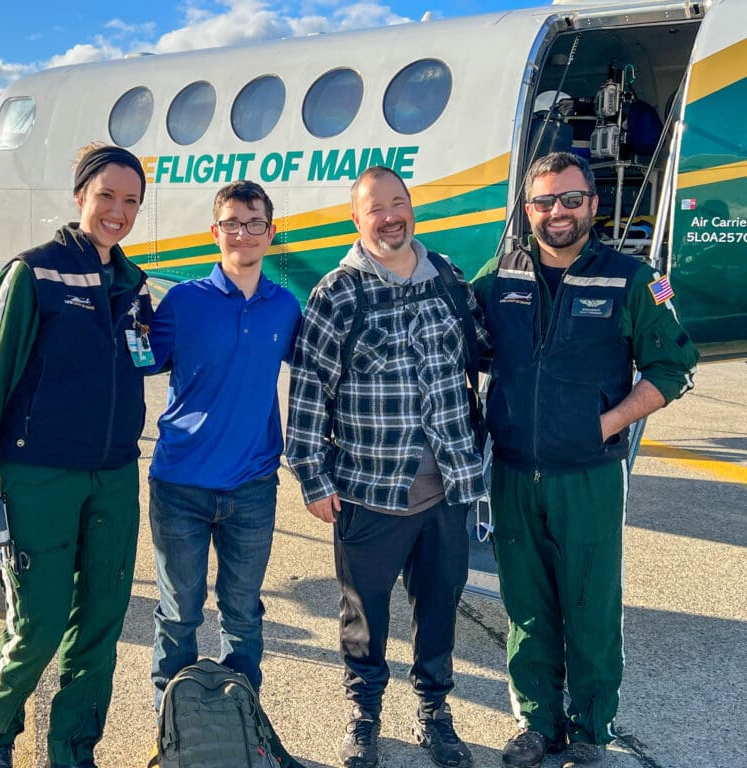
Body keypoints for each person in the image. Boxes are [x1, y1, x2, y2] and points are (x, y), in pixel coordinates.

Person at [472, 151, 699, 768]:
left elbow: (675, 365)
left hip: (590, 476)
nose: (558, 213)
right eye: (544, 201)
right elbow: (460, 341)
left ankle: (592, 728)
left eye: (571, 199)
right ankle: (537, 722)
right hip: (514, 469)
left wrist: (606, 423)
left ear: (593, 205)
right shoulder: (500, 275)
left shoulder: (636, 277)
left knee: (591, 603)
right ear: (528, 208)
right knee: (525, 602)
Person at [0, 144, 154, 768]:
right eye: (106, 197)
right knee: (37, 623)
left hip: (114, 474)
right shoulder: (33, 274)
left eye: (130, 201)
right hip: (37, 473)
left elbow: (144, 361)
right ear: (80, 198)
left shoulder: (132, 286)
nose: (117, 212)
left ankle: (74, 750)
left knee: (99, 625)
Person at [286, 165, 487, 768]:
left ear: (412, 208)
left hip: (449, 487)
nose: (391, 215)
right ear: (357, 219)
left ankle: (434, 711)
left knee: (439, 606)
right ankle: (364, 713)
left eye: (399, 202)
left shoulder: (448, 278)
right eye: (377, 208)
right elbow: (306, 395)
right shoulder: (337, 292)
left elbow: (483, 350)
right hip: (370, 491)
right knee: (364, 615)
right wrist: (313, 479)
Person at [146, 180, 301, 710]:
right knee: (179, 615)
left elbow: (322, 372)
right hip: (180, 486)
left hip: (252, 489)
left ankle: (242, 723)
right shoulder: (184, 301)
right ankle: (173, 727)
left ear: (270, 232)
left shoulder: (285, 307)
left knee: (242, 615)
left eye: (254, 222)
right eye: (232, 223)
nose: (243, 233)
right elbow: (136, 358)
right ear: (215, 232)